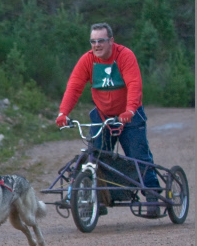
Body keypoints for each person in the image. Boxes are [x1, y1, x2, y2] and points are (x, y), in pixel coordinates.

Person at [55, 22, 160, 217]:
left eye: (101, 41)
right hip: (102, 114)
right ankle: (98, 200)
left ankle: (153, 196)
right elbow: (74, 86)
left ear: (111, 40)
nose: (97, 45)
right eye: (93, 41)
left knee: (139, 157)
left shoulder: (124, 56)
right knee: (96, 158)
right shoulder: (87, 60)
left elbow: (134, 84)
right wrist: (63, 113)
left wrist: (129, 110)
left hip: (130, 114)